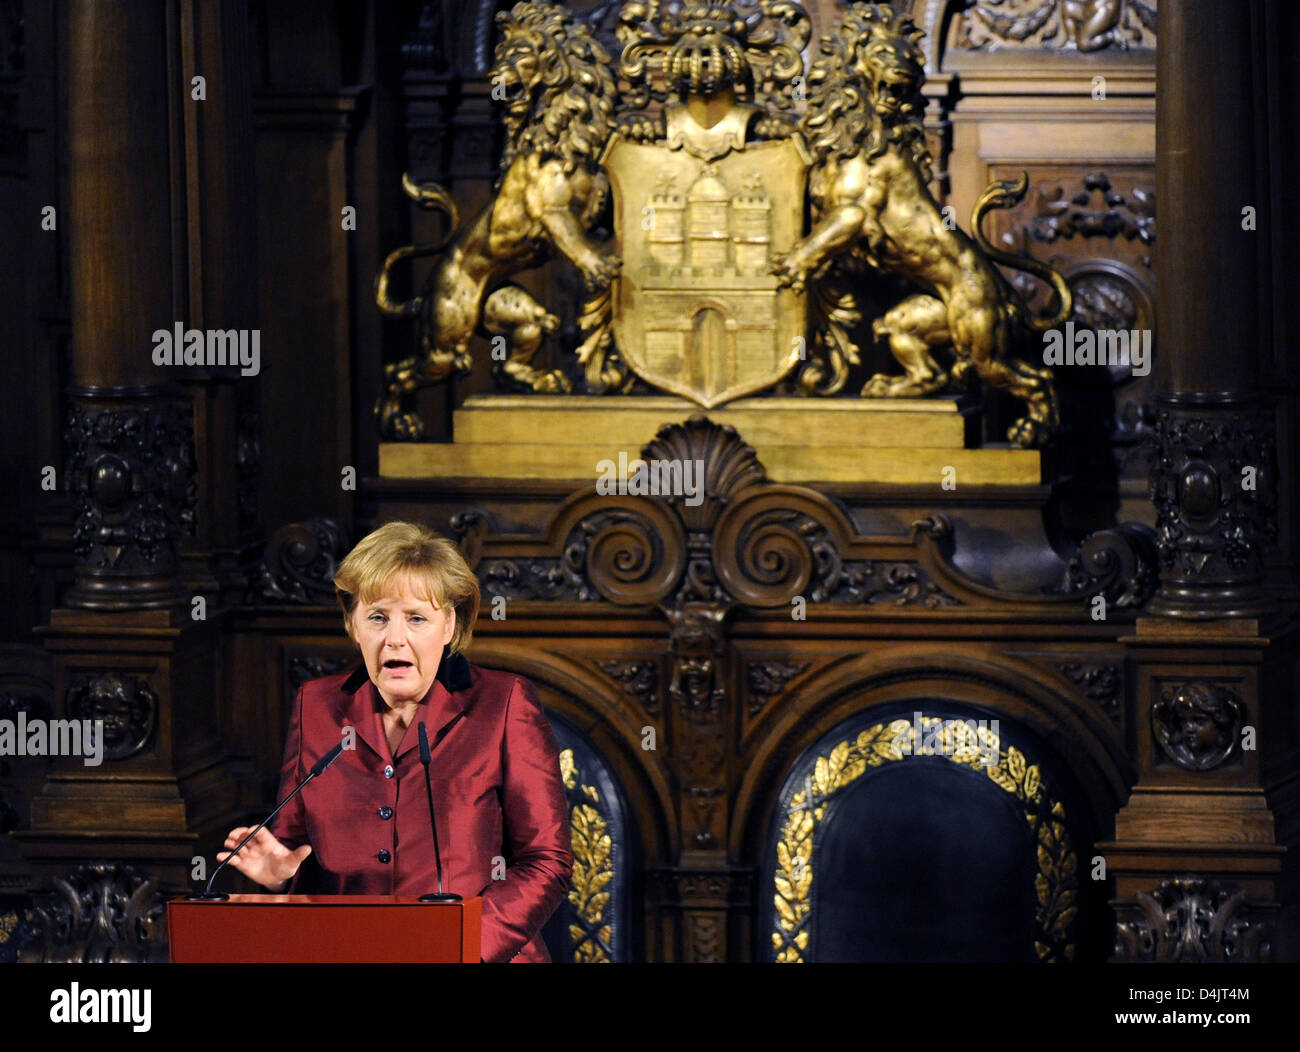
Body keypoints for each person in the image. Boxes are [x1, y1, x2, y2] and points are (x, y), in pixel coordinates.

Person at [218, 520, 573, 962]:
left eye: (417, 618)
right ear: (354, 626)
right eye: (378, 617)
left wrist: (462, 947)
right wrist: (283, 877)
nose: (395, 638)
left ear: (450, 625)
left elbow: (546, 861)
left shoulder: (503, 705)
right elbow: (296, 855)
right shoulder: (317, 707)